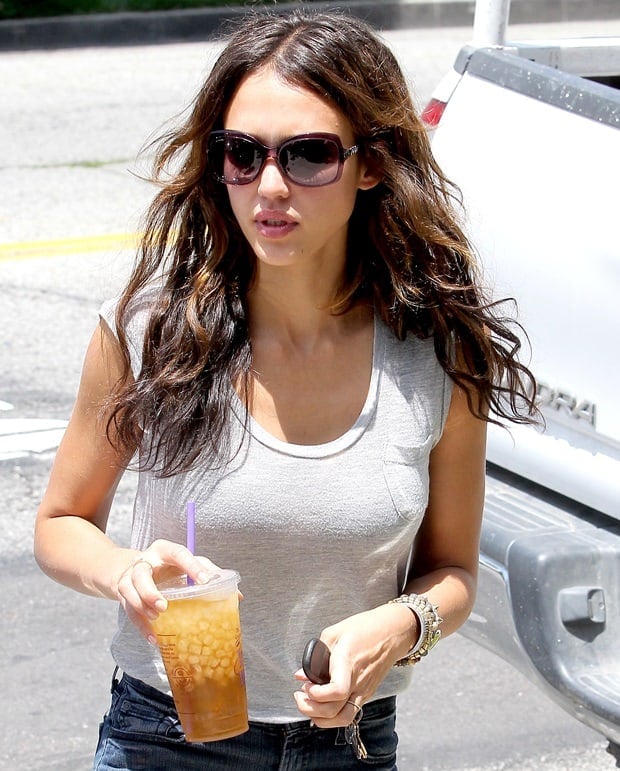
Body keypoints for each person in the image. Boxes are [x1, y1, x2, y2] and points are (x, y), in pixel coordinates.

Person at [34, 9, 537, 770]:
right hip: (169, 737)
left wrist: (401, 625)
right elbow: (61, 521)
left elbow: (454, 572)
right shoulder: (148, 332)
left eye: (308, 155)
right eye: (242, 153)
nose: (269, 185)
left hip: (351, 745)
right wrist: (124, 570)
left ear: (372, 164)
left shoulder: (436, 353)